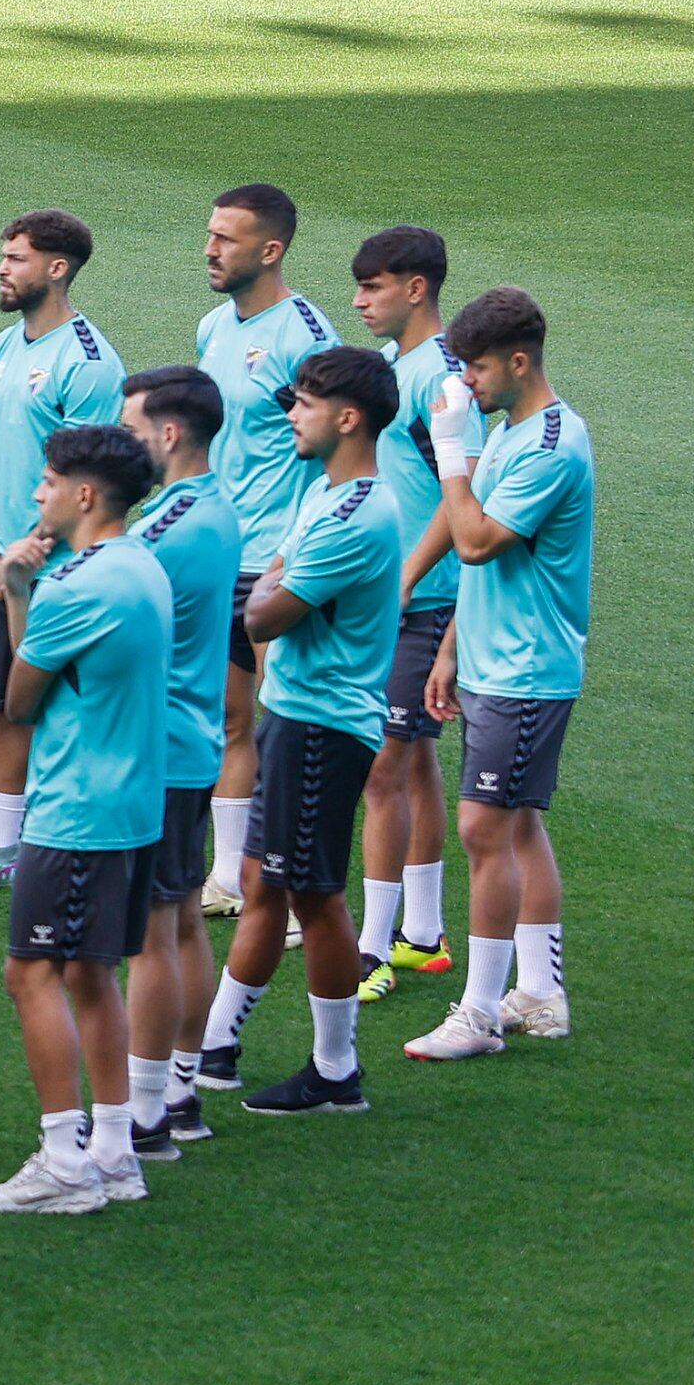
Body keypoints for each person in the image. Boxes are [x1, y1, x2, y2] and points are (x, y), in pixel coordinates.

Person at [195, 346, 404, 1116]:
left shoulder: (357, 513)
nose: (290, 414)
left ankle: (335, 1069)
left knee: (313, 897)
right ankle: (213, 1046)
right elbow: (273, 578)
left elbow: (262, 610)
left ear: (348, 418)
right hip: (296, 715)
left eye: (305, 403)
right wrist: (277, 583)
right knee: (267, 886)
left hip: (322, 726)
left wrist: (274, 589)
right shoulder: (324, 494)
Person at [0, 424, 171, 1214]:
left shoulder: (79, 584)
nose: (35, 493)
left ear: (85, 495)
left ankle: (64, 1161)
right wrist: (29, 592)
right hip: (130, 807)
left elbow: (20, 700)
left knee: (31, 971)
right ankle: (116, 1152)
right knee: (93, 972)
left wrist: (22, 591)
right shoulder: (142, 567)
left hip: (74, 811)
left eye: (49, 481)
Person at [404, 288, 591, 1060]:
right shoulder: (515, 429)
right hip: (491, 659)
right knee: (517, 824)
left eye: (477, 369)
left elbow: (476, 540)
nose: (467, 385)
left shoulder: (551, 443)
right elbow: (490, 567)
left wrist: (451, 452)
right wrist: (450, 649)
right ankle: (541, 996)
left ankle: (480, 1013)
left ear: (519, 362)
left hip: (526, 671)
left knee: (485, 828)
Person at [0, 210, 122, 890]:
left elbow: (86, 482)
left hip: (59, 567)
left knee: (66, 702)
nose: (2, 268)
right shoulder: (1, 347)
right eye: (3, 255)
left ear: (57, 268)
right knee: (2, 699)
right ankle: (0, 845)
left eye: (16, 258)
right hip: (1, 561)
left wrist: (29, 551)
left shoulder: (89, 364)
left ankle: (71, 840)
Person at [189, 183, 344, 916]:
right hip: (222, 555)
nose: (210, 248)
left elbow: (334, 450)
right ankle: (229, 874)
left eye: (227, 238)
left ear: (270, 249)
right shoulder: (214, 327)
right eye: (211, 234)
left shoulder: (304, 336)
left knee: (287, 728)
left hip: (280, 561)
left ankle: (291, 885)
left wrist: (300, 550)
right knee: (228, 716)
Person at [112, 366, 242, 1153]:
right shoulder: (208, 506)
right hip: (189, 744)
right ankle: (181, 1090)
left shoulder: (173, 527)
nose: (121, 446)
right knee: (184, 916)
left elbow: (99, 591)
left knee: (153, 932)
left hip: (156, 749)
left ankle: (147, 1113)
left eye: (129, 432)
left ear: (167, 435)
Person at [346, 225, 461, 1000]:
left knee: (382, 765)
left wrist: (404, 579)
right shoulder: (394, 367)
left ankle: (371, 944)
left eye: (373, 288)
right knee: (411, 758)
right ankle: (424, 933)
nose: (358, 302)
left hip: (428, 599)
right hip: (404, 594)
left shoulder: (444, 378)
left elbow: (465, 499)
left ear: (415, 288)